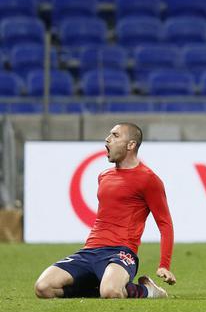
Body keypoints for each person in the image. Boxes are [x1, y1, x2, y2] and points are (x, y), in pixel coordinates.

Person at [34, 123, 175, 299]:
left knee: (111, 292)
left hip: (122, 252)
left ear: (131, 145)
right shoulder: (104, 176)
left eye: (115, 135)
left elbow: (165, 224)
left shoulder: (149, 180)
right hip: (90, 250)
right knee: (43, 288)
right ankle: (102, 285)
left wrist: (164, 264)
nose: (107, 139)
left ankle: (149, 291)